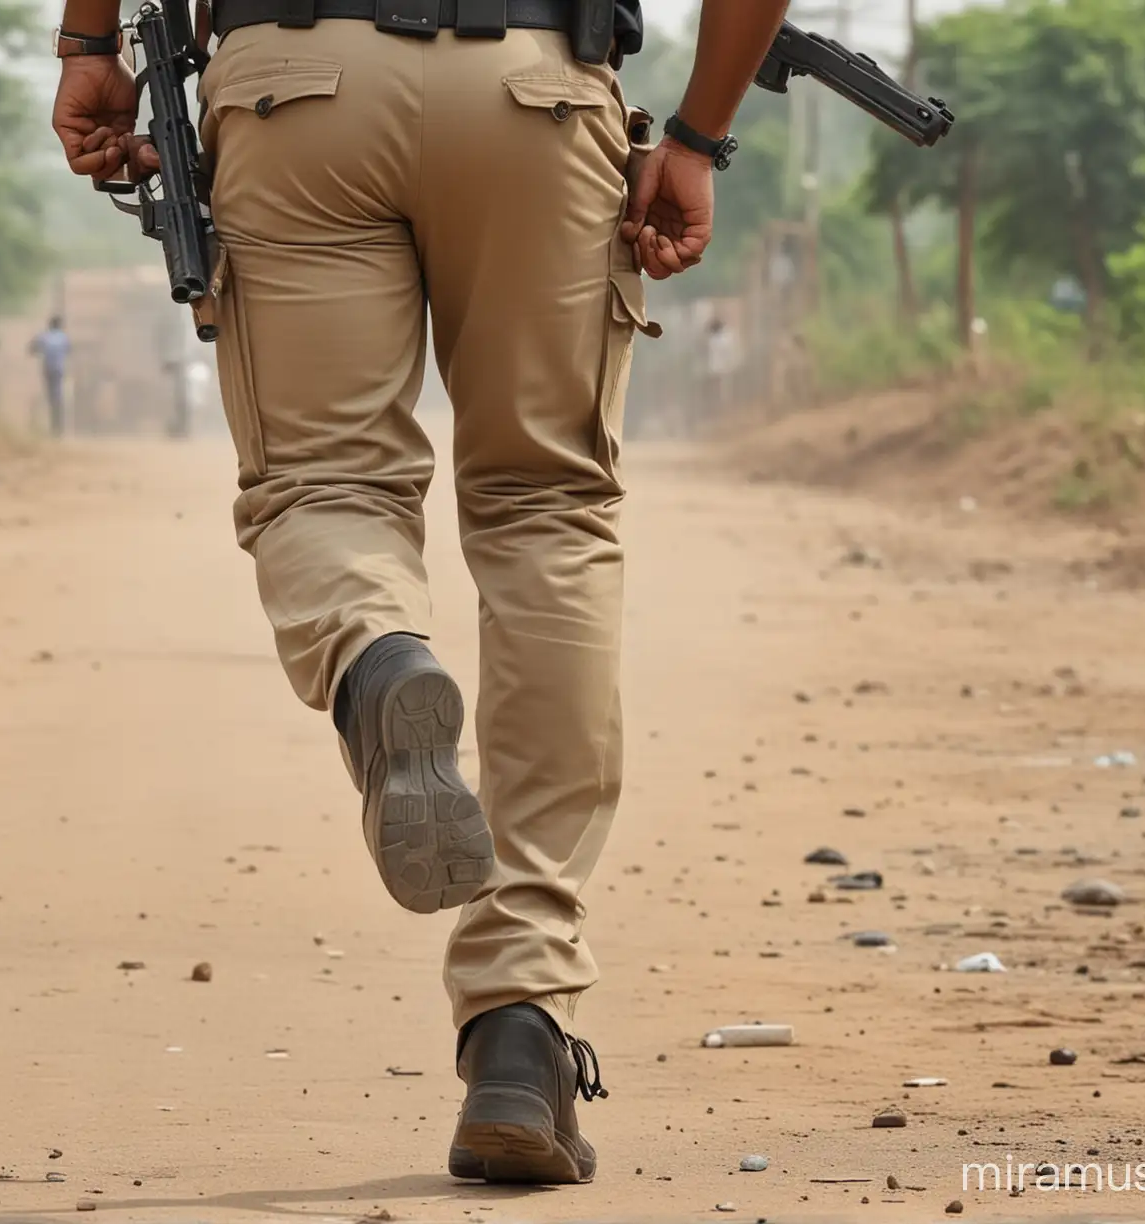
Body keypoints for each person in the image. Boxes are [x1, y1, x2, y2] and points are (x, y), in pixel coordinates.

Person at [51, 0, 790, 1185]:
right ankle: (519, 1020)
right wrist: (697, 139)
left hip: (293, 88)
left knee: (323, 483)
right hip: (536, 88)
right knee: (546, 509)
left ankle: (378, 656)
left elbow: (102, 45)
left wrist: (91, 49)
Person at [27, 316, 71, 436]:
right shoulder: (63, 337)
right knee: (58, 397)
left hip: (48, 370)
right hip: (59, 370)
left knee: (50, 396)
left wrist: (37, 350)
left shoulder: (44, 336)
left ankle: (52, 426)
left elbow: (32, 348)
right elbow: (68, 350)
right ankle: (57, 428)